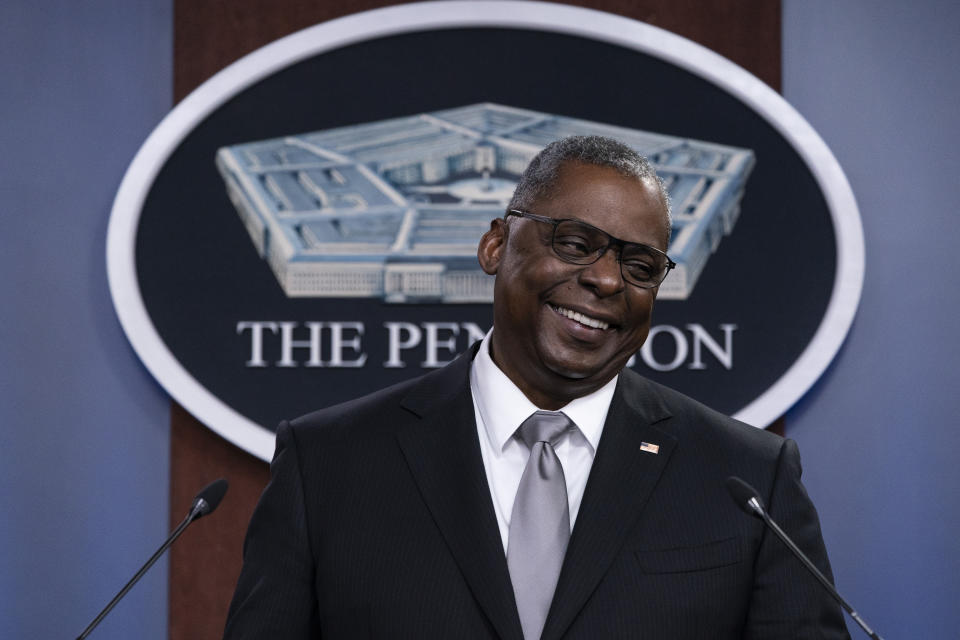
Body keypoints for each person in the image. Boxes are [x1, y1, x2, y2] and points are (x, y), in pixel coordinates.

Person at [223, 136, 850, 639]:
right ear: (496, 244)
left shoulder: (746, 478)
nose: (607, 281)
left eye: (640, 267)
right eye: (576, 243)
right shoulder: (329, 462)